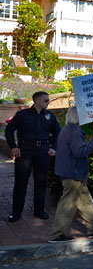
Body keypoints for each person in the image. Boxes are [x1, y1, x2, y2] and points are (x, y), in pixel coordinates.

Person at [47, 106, 93, 243]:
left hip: (70, 172)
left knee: (86, 202)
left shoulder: (66, 130)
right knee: (67, 204)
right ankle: (57, 234)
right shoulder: (74, 131)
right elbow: (79, 151)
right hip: (73, 173)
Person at [5, 91, 61, 222]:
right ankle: (16, 212)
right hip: (25, 151)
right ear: (37, 101)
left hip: (43, 152)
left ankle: (39, 210)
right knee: (20, 183)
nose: (48, 102)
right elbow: (9, 130)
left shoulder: (50, 116)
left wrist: (53, 148)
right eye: (46, 100)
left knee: (41, 182)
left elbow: (58, 133)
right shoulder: (22, 115)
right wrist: (13, 146)